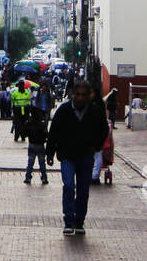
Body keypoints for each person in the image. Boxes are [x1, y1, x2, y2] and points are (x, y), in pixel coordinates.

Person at [46, 78, 109, 236]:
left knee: (83, 189)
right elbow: (54, 131)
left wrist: (96, 146)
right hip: (67, 155)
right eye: (78, 94)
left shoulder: (95, 112)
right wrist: (50, 153)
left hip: (86, 155)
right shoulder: (64, 110)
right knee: (68, 185)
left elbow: (103, 130)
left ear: (89, 96)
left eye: (84, 95)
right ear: (73, 94)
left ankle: (79, 220)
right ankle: (68, 219)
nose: (80, 98)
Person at [23, 106, 49, 185]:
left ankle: (28, 177)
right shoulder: (42, 124)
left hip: (32, 144)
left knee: (30, 162)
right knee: (42, 163)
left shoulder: (30, 123)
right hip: (40, 145)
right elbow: (46, 135)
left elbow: (24, 133)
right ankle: (44, 178)